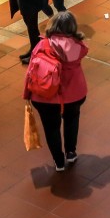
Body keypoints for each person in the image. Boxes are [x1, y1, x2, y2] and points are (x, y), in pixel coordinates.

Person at [23, 11, 88, 173]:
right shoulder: (78, 46)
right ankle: (71, 152)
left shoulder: (42, 45)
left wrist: (27, 95)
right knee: (72, 120)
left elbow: (31, 72)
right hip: (74, 94)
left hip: (45, 95)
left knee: (51, 128)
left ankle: (59, 162)